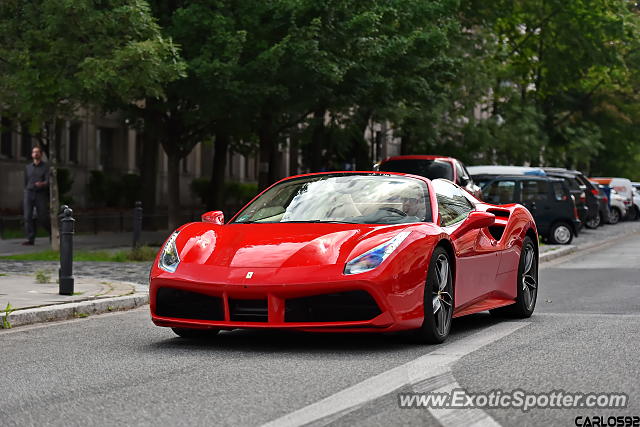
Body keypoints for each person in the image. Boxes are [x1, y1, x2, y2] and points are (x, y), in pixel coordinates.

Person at [23, 146, 51, 245]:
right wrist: (26, 191)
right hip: (29, 193)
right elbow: (25, 181)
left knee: (43, 217)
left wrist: (42, 184)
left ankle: (52, 233)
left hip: (40, 193)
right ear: (32, 154)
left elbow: (48, 181)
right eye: (34, 152)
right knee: (28, 216)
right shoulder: (28, 167)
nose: (35, 154)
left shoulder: (46, 167)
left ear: (41, 154)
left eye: (37, 152)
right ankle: (30, 239)